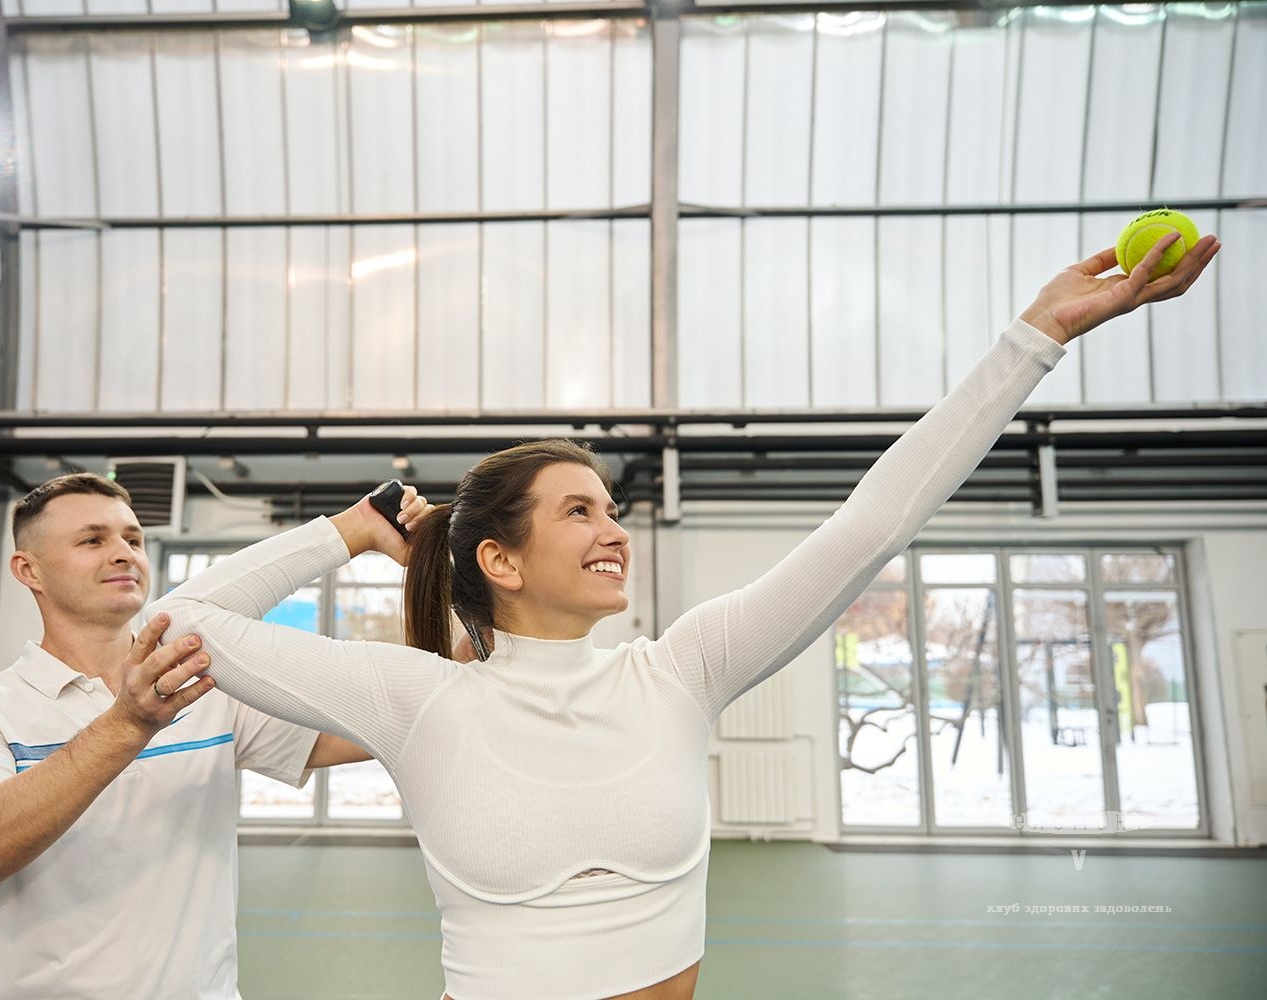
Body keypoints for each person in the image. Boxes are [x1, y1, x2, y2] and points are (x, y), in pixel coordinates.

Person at [150, 233, 1219, 1000]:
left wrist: (1036, 337)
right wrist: (343, 533)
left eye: (612, 509)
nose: (614, 530)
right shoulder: (413, 697)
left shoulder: (683, 667)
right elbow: (177, 613)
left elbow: (874, 520)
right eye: (579, 511)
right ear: (499, 559)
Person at [0, 472, 370, 999]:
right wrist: (128, 725)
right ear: (29, 570)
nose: (124, 553)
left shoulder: (206, 686)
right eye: (92, 540)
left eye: (132, 539)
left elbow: (364, 728)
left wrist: (454, 659)